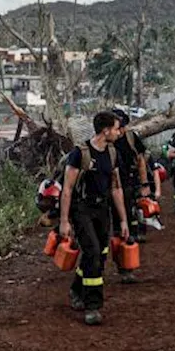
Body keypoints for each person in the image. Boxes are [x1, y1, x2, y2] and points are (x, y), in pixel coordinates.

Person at [60, 111, 130, 325]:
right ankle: (93, 306)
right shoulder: (79, 154)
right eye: (117, 128)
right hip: (82, 209)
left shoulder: (112, 153)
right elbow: (67, 189)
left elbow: (116, 188)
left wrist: (124, 220)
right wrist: (64, 220)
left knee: (99, 254)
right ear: (105, 130)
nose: (119, 133)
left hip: (103, 210)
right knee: (91, 253)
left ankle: (76, 290)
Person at [110, 107, 153, 250]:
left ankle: (135, 233)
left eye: (122, 127)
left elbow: (140, 160)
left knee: (133, 205)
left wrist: (144, 183)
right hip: (111, 181)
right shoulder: (105, 140)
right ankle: (118, 232)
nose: (120, 131)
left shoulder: (130, 137)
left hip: (130, 178)